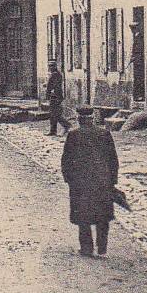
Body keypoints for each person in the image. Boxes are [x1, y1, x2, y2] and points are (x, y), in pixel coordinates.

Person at [60, 104, 120, 257]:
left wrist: (69, 179)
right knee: (102, 216)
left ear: (79, 119)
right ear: (93, 118)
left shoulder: (73, 135)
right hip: (102, 181)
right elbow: (113, 159)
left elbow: (66, 160)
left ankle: (86, 248)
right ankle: (102, 249)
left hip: (81, 183)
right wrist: (112, 180)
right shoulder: (104, 134)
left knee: (83, 217)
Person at [46, 62, 66, 136]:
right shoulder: (58, 74)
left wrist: (47, 95)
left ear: (55, 67)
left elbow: (50, 87)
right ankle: (53, 130)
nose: (50, 68)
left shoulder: (54, 75)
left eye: (52, 66)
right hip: (56, 96)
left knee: (55, 114)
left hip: (55, 96)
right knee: (53, 114)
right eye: (49, 66)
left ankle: (66, 125)